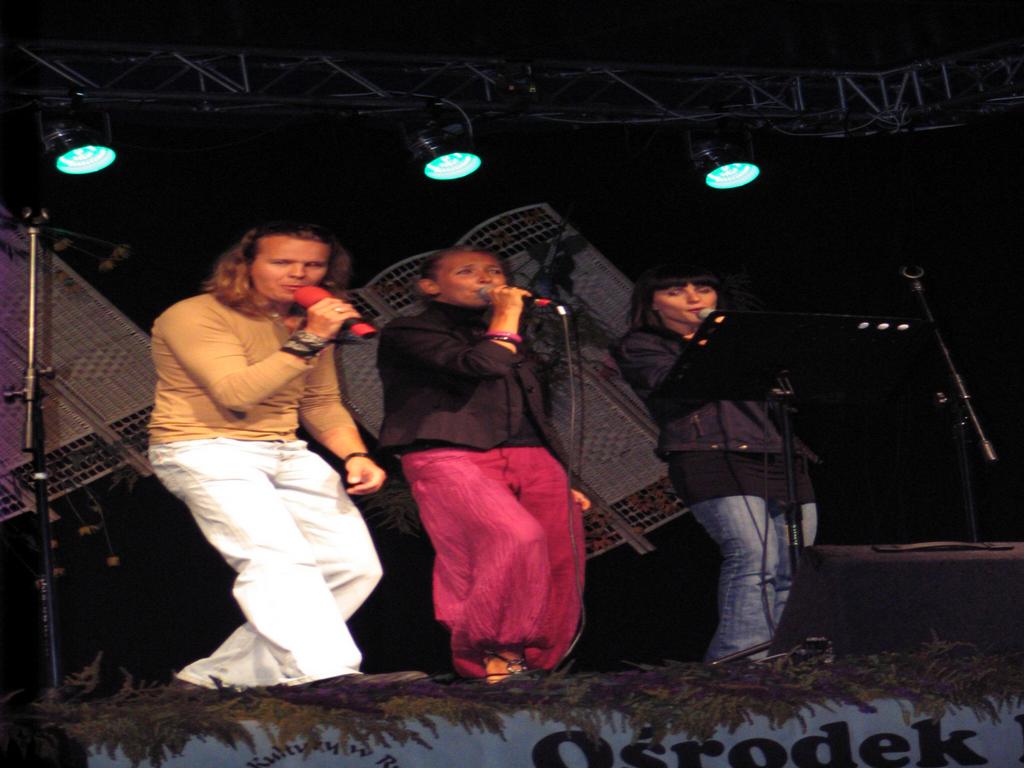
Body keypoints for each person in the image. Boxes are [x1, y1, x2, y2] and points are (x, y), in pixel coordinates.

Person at [148, 221, 412, 689]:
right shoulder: (194, 314)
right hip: (203, 447)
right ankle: (324, 674)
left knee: (352, 565)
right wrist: (311, 337)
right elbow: (236, 394)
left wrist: (355, 454)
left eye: (312, 265)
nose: (298, 274)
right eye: (282, 262)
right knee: (275, 558)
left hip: (284, 448)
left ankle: (215, 677)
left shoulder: (303, 322)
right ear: (246, 264)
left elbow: (320, 402)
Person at [376, 246, 589, 682]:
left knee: (559, 556)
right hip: (451, 451)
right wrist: (507, 315)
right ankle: (497, 653)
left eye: (494, 271)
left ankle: (538, 668)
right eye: (467, 271)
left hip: (531, 453)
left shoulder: (506, 334)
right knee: (514, 538)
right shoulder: (410, 330)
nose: (486, 278)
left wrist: (564, 472)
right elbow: (481, 364)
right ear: (429, 286)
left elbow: (533, 407)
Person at [612, 264, 818, 662]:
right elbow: (677, 385)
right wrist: (716, 340)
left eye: (703, 289)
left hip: (778, 454)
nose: (694, 298)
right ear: (652, 303)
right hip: (709, 455)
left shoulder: (743, 342)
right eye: (676, 291)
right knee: (753, 556)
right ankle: (739, 662)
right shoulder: (641, 345)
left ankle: (782, 658)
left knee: (795, 564)